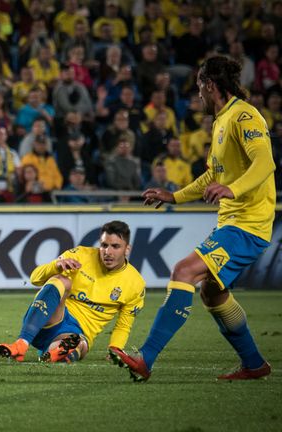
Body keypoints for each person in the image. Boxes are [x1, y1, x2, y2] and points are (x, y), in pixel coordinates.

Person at [110, 56, 275, 382]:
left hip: (248, 222)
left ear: (210, 85)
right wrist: (174, 196)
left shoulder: (245, 115)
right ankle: (254, 364)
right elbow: (212, 175)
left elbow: (265, 162)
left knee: (184, 271)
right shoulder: (220, 122)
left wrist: (232, 188)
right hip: (232, 222)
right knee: (212, 293)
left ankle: (146, 358)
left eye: (199, 88)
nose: (197, 96)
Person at [0, 221, 145, 363]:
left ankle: (55, 354)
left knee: (77, 344)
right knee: (61, 280)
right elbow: (34, 278)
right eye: (104, 245)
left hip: (73, 334)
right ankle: (21, 343)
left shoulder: (135, 284)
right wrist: (56, 266)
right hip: (49, 317)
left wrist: (115, 349)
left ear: (127, 249)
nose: (108, 252)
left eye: (115, 246)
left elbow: (123, 325)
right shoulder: (80, 255)